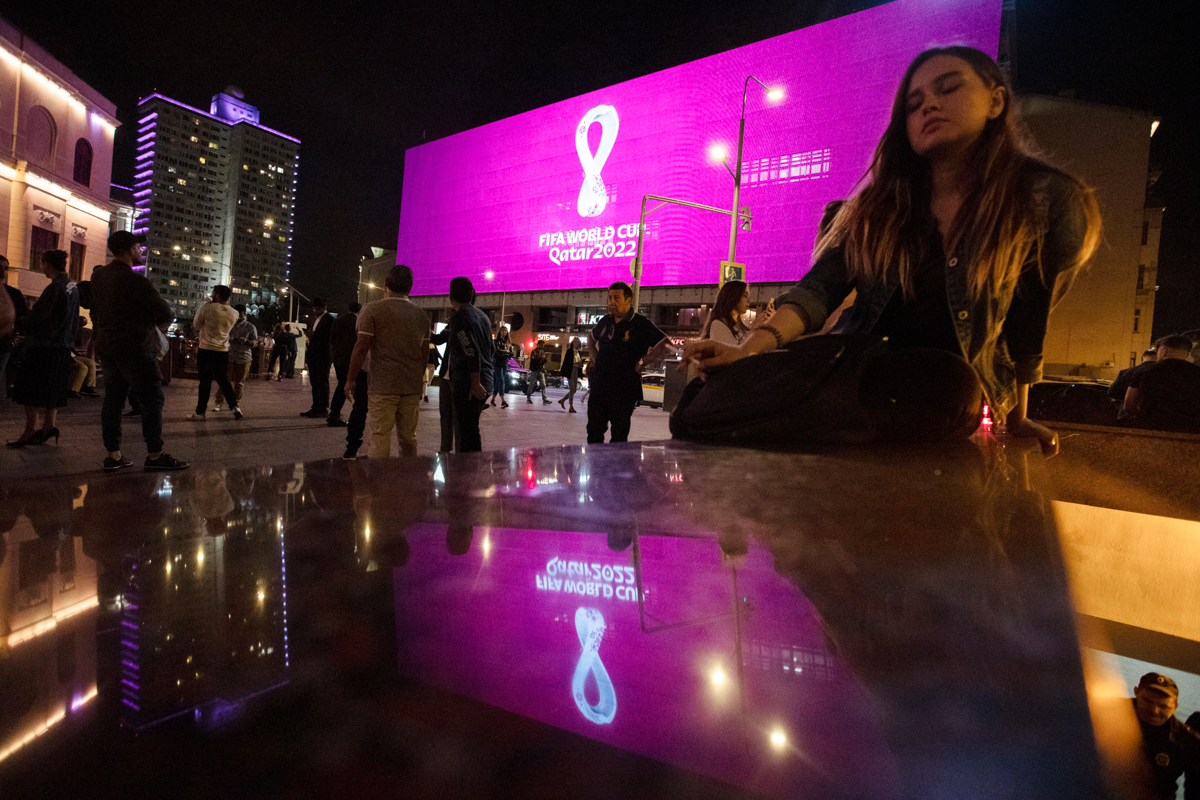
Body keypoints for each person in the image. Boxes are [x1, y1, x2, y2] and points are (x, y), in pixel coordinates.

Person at [684, 46, 1101, 456]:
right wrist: (747, 352)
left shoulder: (1045, 199)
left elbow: (1029, 318)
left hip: (943, 390)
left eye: (949, 88)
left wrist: (1017, 417)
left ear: (996, 101)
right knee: (710, 394)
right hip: (856, 370)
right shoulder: (880, 207)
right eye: (913, 103)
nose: (928, 106)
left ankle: (775, 420)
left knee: (951, 384)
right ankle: (778, 416)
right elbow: (818, 289)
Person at [90, 231, 189, 471]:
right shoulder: (136, 280)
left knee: (113, 399)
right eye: (138, 247)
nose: (141, 251)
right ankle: (155, 454)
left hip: (107, 345)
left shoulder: (99, 276)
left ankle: (113, 454)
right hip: (135, 348)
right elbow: (165, 313)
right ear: (128, 249)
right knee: (152, 399)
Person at [345, 265, 429, 457]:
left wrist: (350, 379)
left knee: (380, 437)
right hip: (410, 387)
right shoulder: (421, 315)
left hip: (383, 386)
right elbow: (423, 355)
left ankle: (378, 483)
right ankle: (406, 479)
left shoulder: (373, 310)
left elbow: (360, 348)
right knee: (408, 438)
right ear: (411, 287)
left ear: (385, 284)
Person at [7, 250, 78, 447]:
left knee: (29, 388)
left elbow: (38, 318)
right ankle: (49, 426)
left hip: (44, 346)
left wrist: (18, 323)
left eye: (43, 263)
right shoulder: (73, 287)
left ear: (47, 263)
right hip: (63, 346)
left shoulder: (54, 288)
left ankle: (31, 430)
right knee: (52, 387)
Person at [586, 281, 670, 444]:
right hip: (599, 387)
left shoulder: (640, 324)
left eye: (617, 298)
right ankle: (595, 468)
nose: (611, 302)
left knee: (619, 436)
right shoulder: (605, 321)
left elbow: (667, 344)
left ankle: (617, 469)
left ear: (629, 300)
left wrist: (643, 361)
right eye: (609, 298)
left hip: (624, 389)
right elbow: (590, 337)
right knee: (594, 433)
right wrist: (594, 357)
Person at [1130, 672, 1200, 799]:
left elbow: (1195, 788)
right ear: (1136, 692)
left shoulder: (1187, 740)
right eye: (1147, 701)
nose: (1154, 711)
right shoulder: (1103, 715)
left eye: (1163, 706)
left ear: (1175, 706)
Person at [446, 277, 493, 452]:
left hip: (468, 383)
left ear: (451, 297)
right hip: (486, 378)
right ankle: (472, 470)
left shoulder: (459, 318)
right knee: (471, 429)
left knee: (467, 432)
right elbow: (491, 349)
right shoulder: (482, 316)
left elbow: (470, 349)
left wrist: (475, 383)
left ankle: (467, 473)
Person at [1122, 334, 1200, 431]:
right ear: (1188, 354)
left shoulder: (1145, 371)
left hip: (1151, 427)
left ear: (1163, 351)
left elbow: (1129, 403)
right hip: (1189, 430)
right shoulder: (1197, 373)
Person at [189, 285, 242, 421]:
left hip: (206, 349)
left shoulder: (206, 308)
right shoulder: (234, 313)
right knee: (223, 380)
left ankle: (200, 412)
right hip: (222, 350)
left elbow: (196, 325)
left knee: (205, 382)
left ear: (217, 294)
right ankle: (235, 407)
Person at [214, 304, 258, 412]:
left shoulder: (250, 327)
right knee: (224, 381)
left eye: (240, 314)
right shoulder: (229, 324)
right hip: (229, 356)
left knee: (239, 383)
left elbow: (256, 342)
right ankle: (219, 402)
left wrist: (246, 341)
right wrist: (230, 339)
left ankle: (236, 403)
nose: (238, 317)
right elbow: (221, 336)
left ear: (244, 314)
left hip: (244, 357)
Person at [0, 255, 29, 401]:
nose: (3, 272)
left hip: (3, 345)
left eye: (6, 268)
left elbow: (23, 320)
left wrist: (14, 340)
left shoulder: (13, 294)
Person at [328, 301, 361, 427]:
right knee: (346, 385)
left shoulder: (339, 321)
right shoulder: (358, 323)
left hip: (338, 358)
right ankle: (335, 414)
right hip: (351, 359)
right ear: (359, 311)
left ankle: (334, 413)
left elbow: (332, 339)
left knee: (341, 383)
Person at [301, 297, 334, 418]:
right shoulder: (315, 319)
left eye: (317, 308)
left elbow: (329, 338)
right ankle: (315, 406)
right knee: (314, 382)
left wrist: (313, 336)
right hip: (313, 354)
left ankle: (323, 408)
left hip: (323, 355)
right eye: (314, 308)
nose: (315, 310)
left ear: (324, 308)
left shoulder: (329, 320)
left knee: (322, 382)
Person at [1110, 341, 1161, 416]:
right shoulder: (1160, 373)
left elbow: (1112, 393)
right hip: (1151, 415)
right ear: (1159, 359)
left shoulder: (1125, 372)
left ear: (1141, 358)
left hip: (1125, 415)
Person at [702, 280, 751, 345]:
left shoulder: (739, 326)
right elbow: (733, 352)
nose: (748, 300)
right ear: (733, 297)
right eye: (745, 296)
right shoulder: (718, 325)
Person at [431, 323, 455, 452]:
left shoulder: (467, 325)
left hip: (459, 377)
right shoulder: (450, 326)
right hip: (445, 376)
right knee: (445, 413)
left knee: (458, 416)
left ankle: (462, 451)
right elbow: (438, 340)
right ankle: (445, 447)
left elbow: (471, 352)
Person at [68, 315, 99, 398]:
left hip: (72, 354)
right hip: (66, 355)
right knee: (82, 367)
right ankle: (73, 389)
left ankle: (88, 387)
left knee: (90, 363)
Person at [489, 325, 512, 408]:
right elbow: (497, 351)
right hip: (497, 363)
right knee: (501, 381)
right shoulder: (496, 341)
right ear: (500, 332)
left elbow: (510, 353)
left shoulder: (507, 342)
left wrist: (508, 353)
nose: (504, 332)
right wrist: (506, 352)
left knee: (499, 382)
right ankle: (503, 401)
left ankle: (493, 399)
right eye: (503, 330)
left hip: (504, 363)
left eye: (506, 330)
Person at [559, 337, 581, 412]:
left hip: (576, 370)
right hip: (570, 370)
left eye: (578, 342)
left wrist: (580, 364)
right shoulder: (569, 351)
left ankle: (563, 400)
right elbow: (567, 362)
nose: (576, 344)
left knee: (574, 389)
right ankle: (571, 406)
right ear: (572, 343)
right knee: (572, 389)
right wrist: (575, 363)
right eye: (575, 342)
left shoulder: (578, 352)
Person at [525, 340, 551, 404]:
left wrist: (543, 359)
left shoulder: (543, 352)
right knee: (532, 384)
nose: (542, 346)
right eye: (541, 345)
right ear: (538, 345)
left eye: (543, 345)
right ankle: (528, 398)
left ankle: (544, 399)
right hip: (534, 370)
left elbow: (543, 360)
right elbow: (535, 359)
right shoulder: (534, 351)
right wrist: (541, 359)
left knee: (543, 385)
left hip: (541, 370)